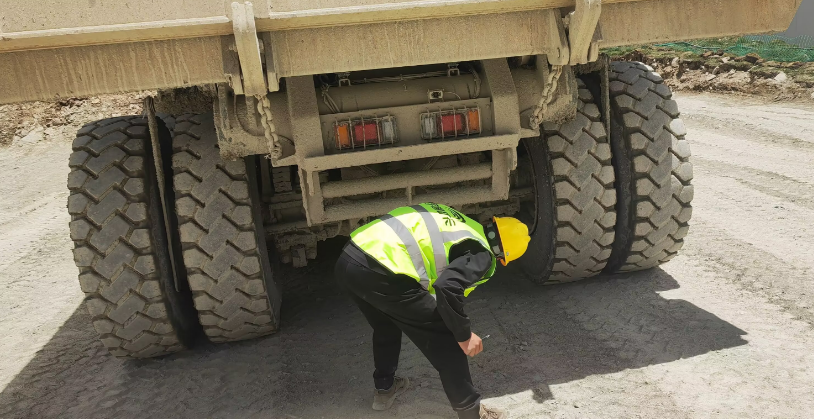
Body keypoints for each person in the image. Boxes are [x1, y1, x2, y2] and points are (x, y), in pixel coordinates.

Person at [334, 202, 530, 419]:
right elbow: (447, 288)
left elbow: (437, 290)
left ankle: (385, 388)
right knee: (447, 340)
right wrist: (463, 334)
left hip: (350, 259)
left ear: (493, 224)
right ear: (504, 256)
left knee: (385, 325)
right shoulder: (481, 254)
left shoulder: (463, 225)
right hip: (384, 269)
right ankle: (472, 414)